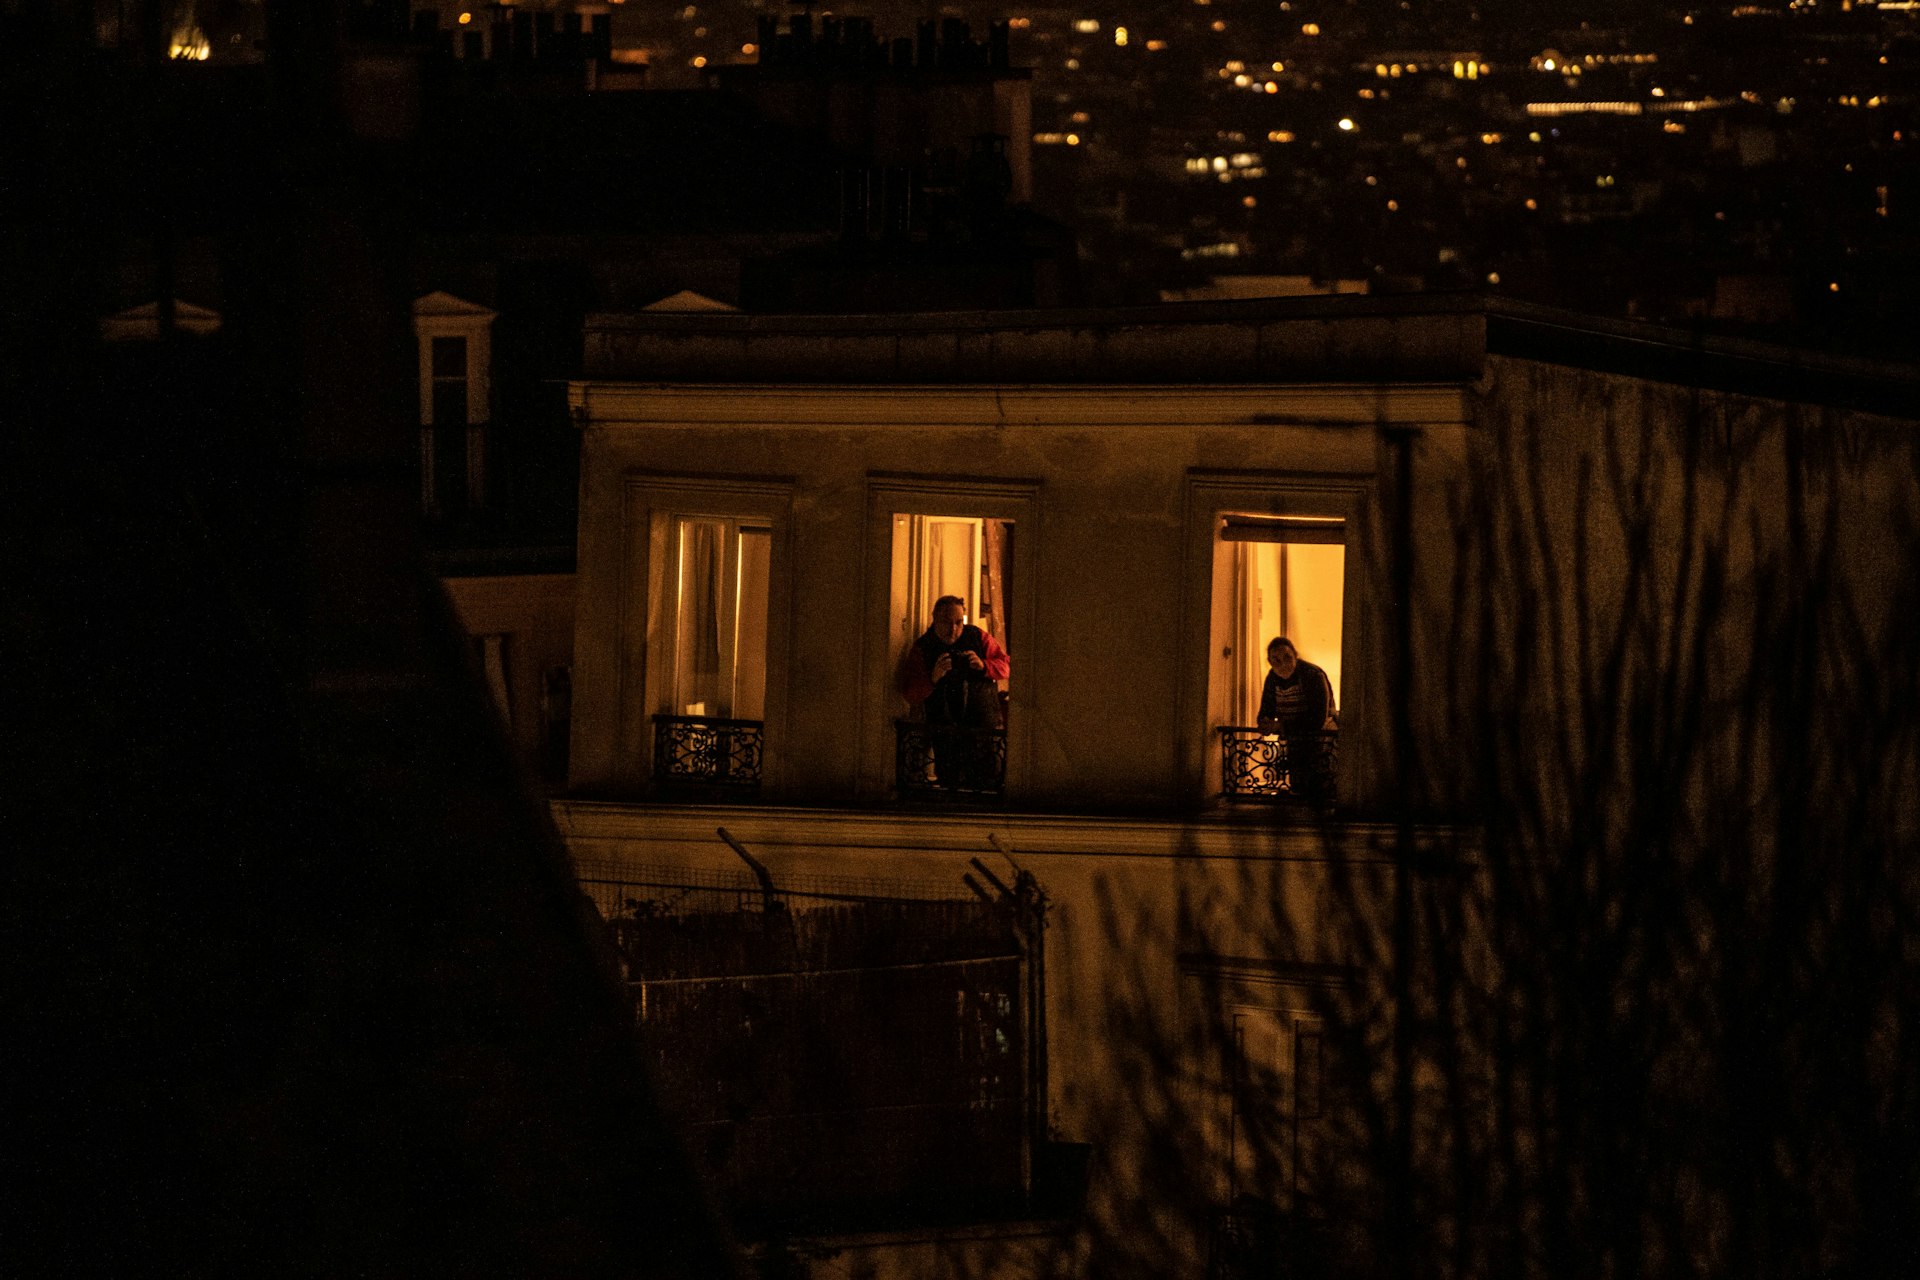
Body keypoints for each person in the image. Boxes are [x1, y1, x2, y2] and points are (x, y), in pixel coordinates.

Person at [899, 596, 1010, 788]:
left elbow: (1006, 666)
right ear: (934, 619)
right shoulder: (922, 648)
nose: (954, 629)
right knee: (950, 781)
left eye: (959, 622)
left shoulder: (978, 637)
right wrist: (933, 678)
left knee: (987, 779)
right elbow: (910, 692)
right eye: (947, 622)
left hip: (982, 728)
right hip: (944, 731)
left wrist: (983, 665)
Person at [1256, 637, 1337, 795]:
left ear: (1295, 655)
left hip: (1321, 742)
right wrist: (1264, 722)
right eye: (1276, 660)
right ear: (1270, 662)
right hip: (1295, 743)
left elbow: (1317, 719)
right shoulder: (1272, 678)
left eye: (1287, 657)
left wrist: (1280, 726)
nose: (1283, 664)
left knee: (1321, 788)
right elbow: (1266, 709)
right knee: (1299, 788)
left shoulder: (1313, 675)